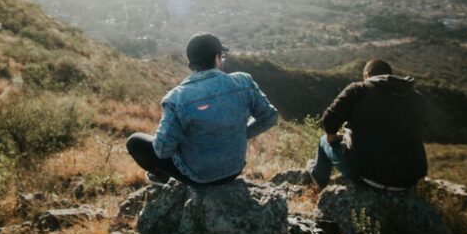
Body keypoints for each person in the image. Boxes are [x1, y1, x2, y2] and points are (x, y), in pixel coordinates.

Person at [126, 32, 279, 187]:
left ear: (191, 62)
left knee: (134, 141)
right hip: (234, 170)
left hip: (199, 178)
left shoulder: (176, 98)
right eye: (222, 56)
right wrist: (240, 133)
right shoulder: (243, 82)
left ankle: (161, 177)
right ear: (217, 57)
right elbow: (270, 118)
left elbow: (162, 151)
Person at [307, 59, 428, 190]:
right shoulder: (417, 97)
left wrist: (333, 138)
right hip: (410, 180)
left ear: (367, 75)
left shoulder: (358, 89)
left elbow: (329, 119)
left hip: (369, 176)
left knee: (324, 141)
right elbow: (421, 129)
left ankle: (318, 180)